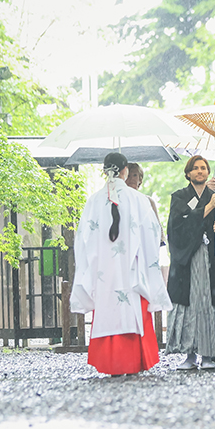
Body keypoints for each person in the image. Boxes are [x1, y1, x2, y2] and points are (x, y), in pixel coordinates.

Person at [70, 153, 172, 376]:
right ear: (125, 171)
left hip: (103, 272)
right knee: (131, 307)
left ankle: (111, 363)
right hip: (131, 269)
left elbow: (82, 240)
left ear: (104, 170)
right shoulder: (138, 200)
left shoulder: (94, 201)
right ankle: (132, 362)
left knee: (107, 308)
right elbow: (153, 235)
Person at [166, 155, 215, 370]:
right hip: (187, 260)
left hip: (209, 259)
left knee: (207, 304)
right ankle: (188, 355)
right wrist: (206, 208)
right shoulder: (179, 197)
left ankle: (208, 354)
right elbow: (177, 228)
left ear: (207, 173)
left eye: (203, 168)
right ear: (188, 174)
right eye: (195, 168)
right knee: (188, 305)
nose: (200, 171)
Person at [125, 162, 164, 246]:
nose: (131, 178)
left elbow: (157, 226)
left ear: (140, 179)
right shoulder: (119, 200)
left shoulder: (148, 201)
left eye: (135, 175)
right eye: (128, 175)